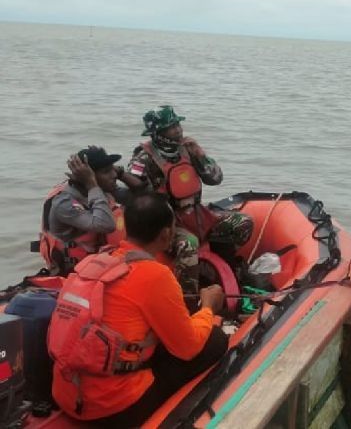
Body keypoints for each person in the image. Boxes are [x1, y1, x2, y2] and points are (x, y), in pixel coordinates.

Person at [50, 192, 228, 426]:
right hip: (114, 408)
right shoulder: (156, 275)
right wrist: (208, 307)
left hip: (65, 394)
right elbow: (188, 348)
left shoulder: (93, 262)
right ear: (166, 234)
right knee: (215, 340)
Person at [124, 106, 253, 263]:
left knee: (243, 223)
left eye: (177, 125)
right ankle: (188, 287)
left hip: (198, 216)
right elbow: (135, 194)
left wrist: (200, 155)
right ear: (157, 132)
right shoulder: (143, 159)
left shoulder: (188, 150)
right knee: (189, 243)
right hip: (168, 223)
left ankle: (224, 264)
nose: (178, 131)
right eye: (171, 128)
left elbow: (216, 179)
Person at [40, 146, 126, 274]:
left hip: (99, 268)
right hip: (73, 274)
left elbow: (142, 196)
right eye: (107, 171)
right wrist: (92, 183)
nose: (114, 175)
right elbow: (105, 224)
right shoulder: (64, 202)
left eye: (113, 169)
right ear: (87, 177)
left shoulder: (102, 191)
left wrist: (123, 174)